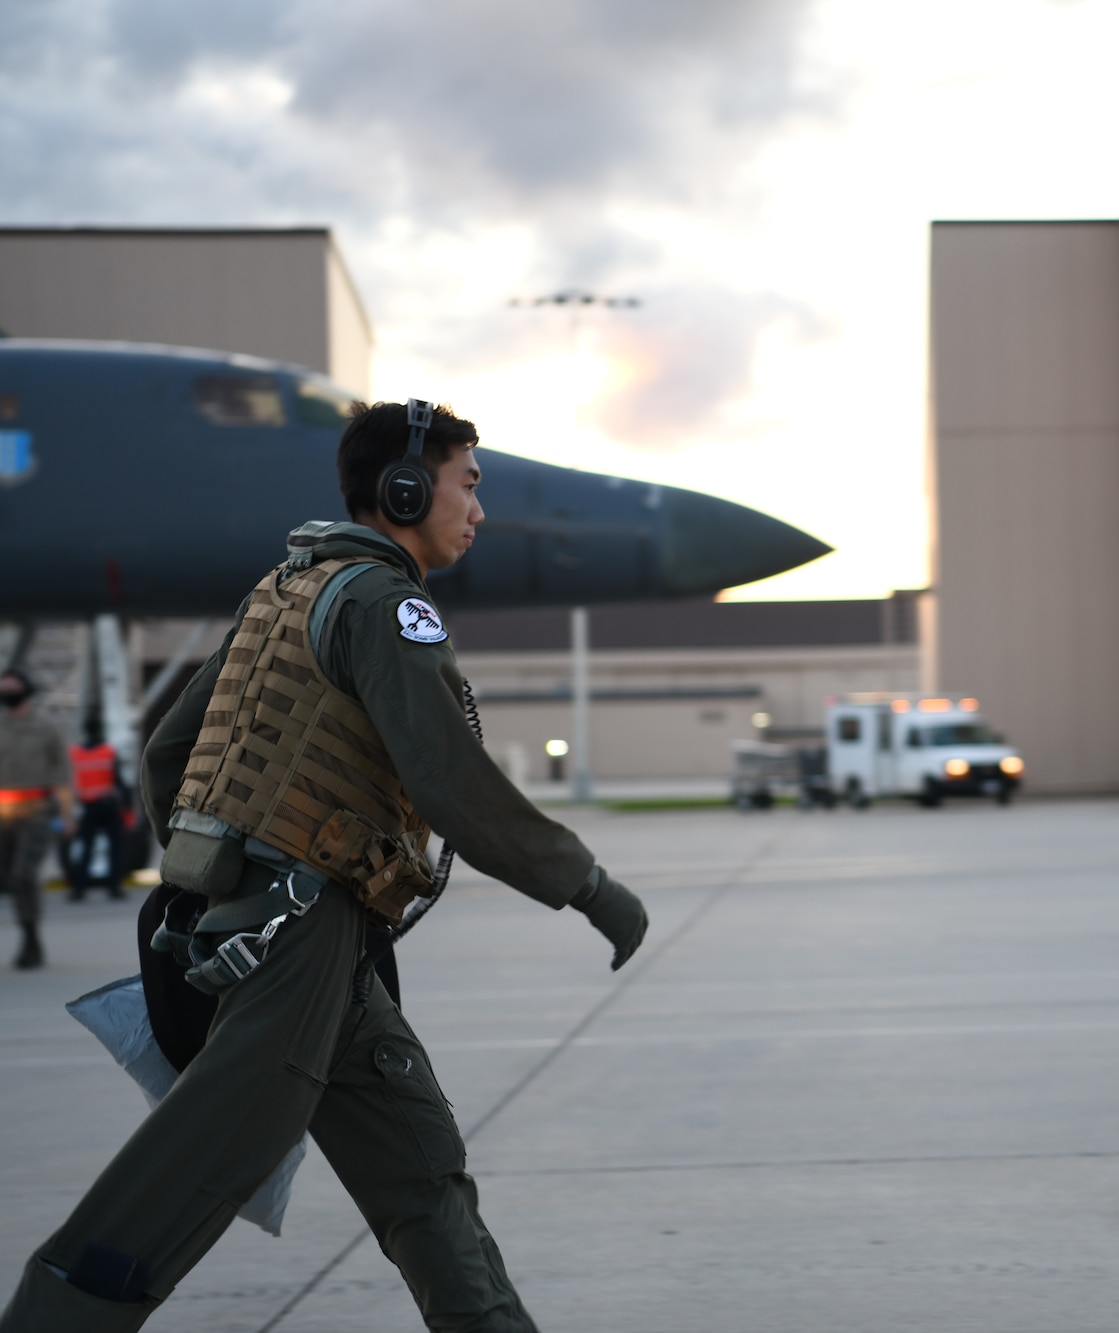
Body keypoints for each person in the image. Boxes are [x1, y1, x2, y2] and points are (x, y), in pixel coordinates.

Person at [1, 400, 649, 1331]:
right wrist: (593, 888)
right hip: (297, 944)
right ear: (405, 488)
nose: (477, 509)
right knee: (174, 1186)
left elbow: (167, 756)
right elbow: (452, 783)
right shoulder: (386, 604)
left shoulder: (284, 591)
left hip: (300, 935)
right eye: (467, 485)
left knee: (422, 1178)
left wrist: (215, 877)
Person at [0, 668, 75, 970]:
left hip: (36, 811)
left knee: (24, 875)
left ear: (26, 691)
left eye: (12, 688)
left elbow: (63, 776)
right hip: (2, 814)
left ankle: (31, 939)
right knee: (9, 879)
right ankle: (26, 931)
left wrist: (68, 815)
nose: (7, 694)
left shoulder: (45, 729)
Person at [66, 715, 129, 901]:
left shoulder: (76, 753)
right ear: (100, 730)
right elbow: (120, 782)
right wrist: (127, 808)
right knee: (114, 848)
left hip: (87, 807)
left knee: (85, 847)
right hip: (108, 806)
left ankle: (79, 889)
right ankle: (114, 887)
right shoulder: (108, 752)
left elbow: (69, 782)